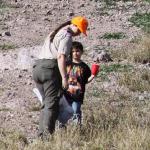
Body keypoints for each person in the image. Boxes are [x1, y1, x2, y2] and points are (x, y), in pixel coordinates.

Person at [32, 16, 88, 138]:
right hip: (49, 70)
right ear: (74, 25)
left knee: (46, 103)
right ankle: (45, 138)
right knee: (52, 105)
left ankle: (41, 134)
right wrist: (64, 77)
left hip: (37, 68)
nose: (78, 34)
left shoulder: (55, 32)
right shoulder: (66, 36)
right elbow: (61, 57)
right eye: (79, 30)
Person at [64, 41, 95, 126]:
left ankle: (76, 130)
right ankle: (62, 129)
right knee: (63, 112)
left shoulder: (84, 67)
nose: (75, 53)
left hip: (78, 95)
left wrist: (92, 76)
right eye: (73, 51)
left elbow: (86, 80)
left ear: (81, 52)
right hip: (66, 93)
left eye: (77, 51)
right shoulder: (66, 64)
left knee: (75, 111)